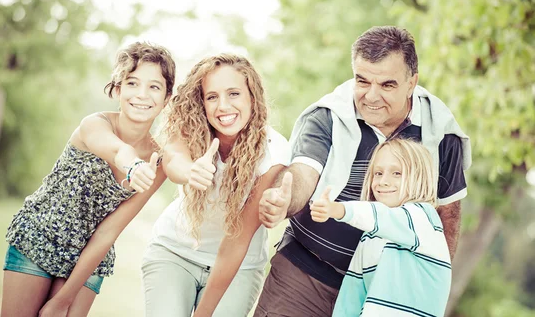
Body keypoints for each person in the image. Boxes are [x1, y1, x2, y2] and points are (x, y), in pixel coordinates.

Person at [256, 26, 471, 316]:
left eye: (387, 85)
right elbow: (305, 172)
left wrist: (429, 290)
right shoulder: (328, 116)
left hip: (385, 293)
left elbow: (448, 215)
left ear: (412, 83)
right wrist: (285, 199)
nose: (371, 96)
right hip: (305, 275)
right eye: (362, 80)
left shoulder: (440, 134)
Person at [1, 42, 176, 317]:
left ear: (167, 98)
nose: (142, 95)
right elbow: (118, 150)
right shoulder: (94, 124)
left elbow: (109, 231)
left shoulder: (159, 161)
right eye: (132, 83)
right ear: (118, 90)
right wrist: (133, 166)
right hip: (39, 236)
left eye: (154, 86)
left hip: (90, 259)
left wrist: (63, 300)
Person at [141, 54, 290, 317]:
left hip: (239, 268)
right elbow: (174, 162)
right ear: (201, 102)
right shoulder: (188, 128)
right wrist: (191, 171)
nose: (223, 106)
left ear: (252, 97)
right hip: (174, 253)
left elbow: (238, 238)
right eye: (212, 97)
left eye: (233, 94)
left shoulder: (273, 151)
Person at [310, 139, 451, 317]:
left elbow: (383, 216)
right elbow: (352, 294)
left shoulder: (422, 218)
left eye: (397, 173)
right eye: (378, 173)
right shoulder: (371, 236)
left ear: (419, 177)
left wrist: (338, 209)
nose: (383, 181)